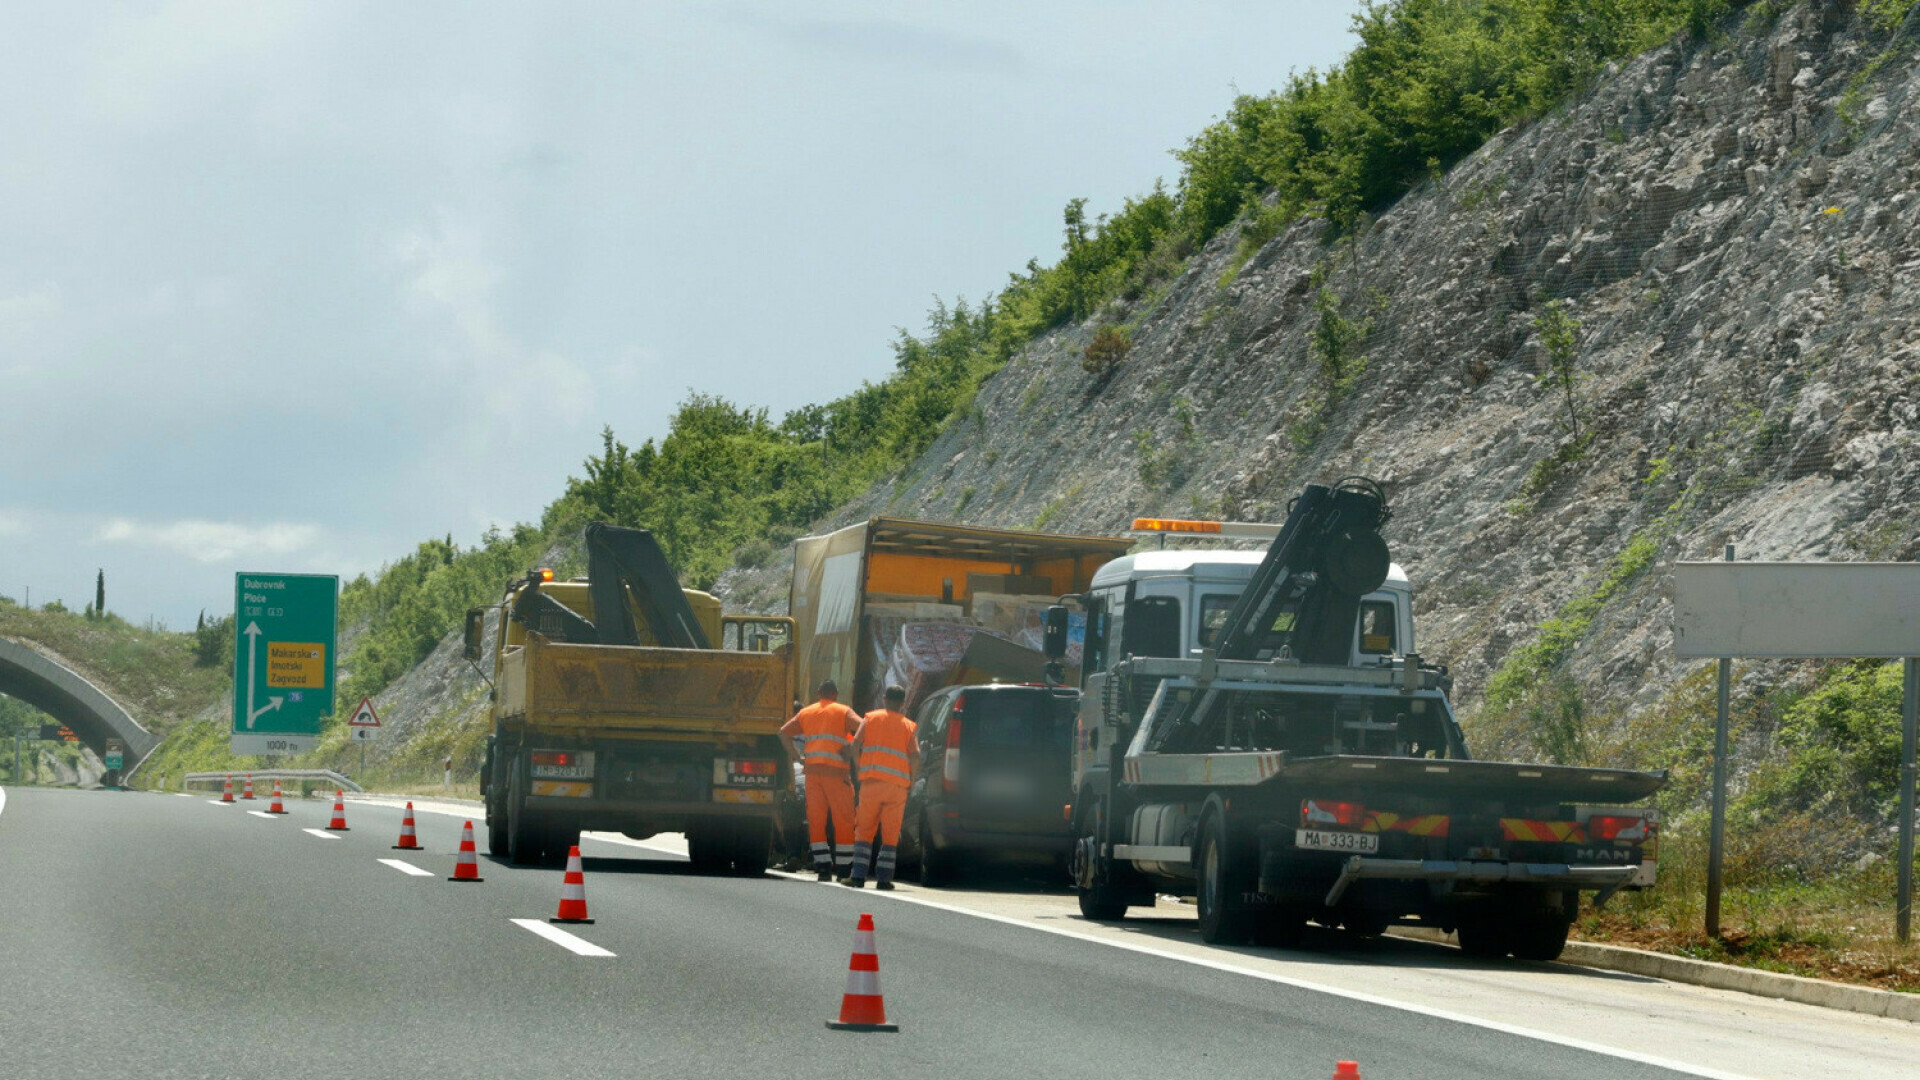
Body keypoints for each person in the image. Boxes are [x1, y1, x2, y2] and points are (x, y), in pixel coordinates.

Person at [780, 679, 861, 881]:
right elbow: (863, 728)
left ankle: (822, 866)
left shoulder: (806, 712)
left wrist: (798, 757)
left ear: (818, 693)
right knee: (843, 820)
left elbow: (782, 733)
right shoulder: (843, 711)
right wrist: (851, 747)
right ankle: (843, 868)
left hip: (813, 774)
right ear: (836, 694)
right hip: (837, 774)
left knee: (816, 820)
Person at [844, 684, 917, 890]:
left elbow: (854, 744)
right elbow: (916, 755)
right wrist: (912, 778)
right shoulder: (908, 726)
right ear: (902, 702)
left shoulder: (871, 718)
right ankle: (884, 880)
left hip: (871, 783)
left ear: (884, 699)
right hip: (897, 788)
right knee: (891, 833)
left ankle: (858, 877)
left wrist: (860, 770)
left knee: (865, 830)